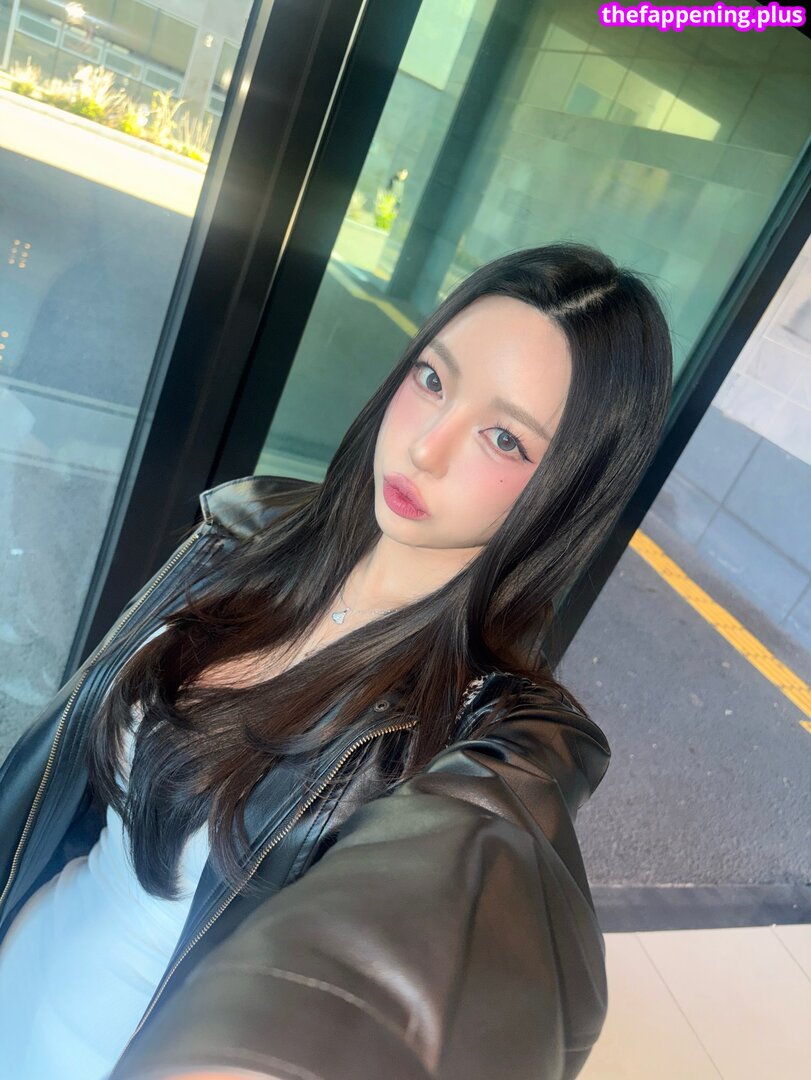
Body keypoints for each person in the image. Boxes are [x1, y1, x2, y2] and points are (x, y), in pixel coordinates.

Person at [0, 242, 673, 1080]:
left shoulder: (489, 731)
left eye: (503, 438)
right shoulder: (253, 530)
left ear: (567, 490)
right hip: (28, 947)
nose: (426, 447)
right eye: (432, 379)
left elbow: (432, 932)